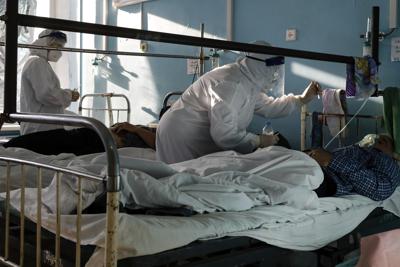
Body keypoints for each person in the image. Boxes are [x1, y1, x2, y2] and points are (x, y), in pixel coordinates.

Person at [156, 40, 321, 164]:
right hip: (182, 134)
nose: (276, 75)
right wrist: (258, 140)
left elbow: (269, 107)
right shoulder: (232, 85)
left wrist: (301, 99)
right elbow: (224, 135)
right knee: (179, 177)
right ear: (260, 66)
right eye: (273, 70)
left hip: (196, 134)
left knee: (194, 177)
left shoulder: (248, 80)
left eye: (278, 70)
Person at [20, 29, 80, 135]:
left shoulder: (41, 63)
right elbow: (46, 94)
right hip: (40, 130)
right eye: (56, 46)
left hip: (44, 127)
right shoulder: (37, 62)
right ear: (43, 44)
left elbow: (48, 96)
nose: (59, 51)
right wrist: (69, 95)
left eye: (61, 47)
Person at [308, 134, 400, 201]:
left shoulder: (390, 164)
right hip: (314, 166)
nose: (378, 139)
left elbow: (380, 189)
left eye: (384, 141)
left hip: (328, 179)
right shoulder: (360, 149)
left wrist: (331, 160)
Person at [3, 122, 156, 156]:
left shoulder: (160, 138)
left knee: (56, 144)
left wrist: (135, 129)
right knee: (54, 138)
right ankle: (9, 148)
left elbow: (157, 143)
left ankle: (9, 150)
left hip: (103, 143)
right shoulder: (155, 129)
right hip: (98, 134)